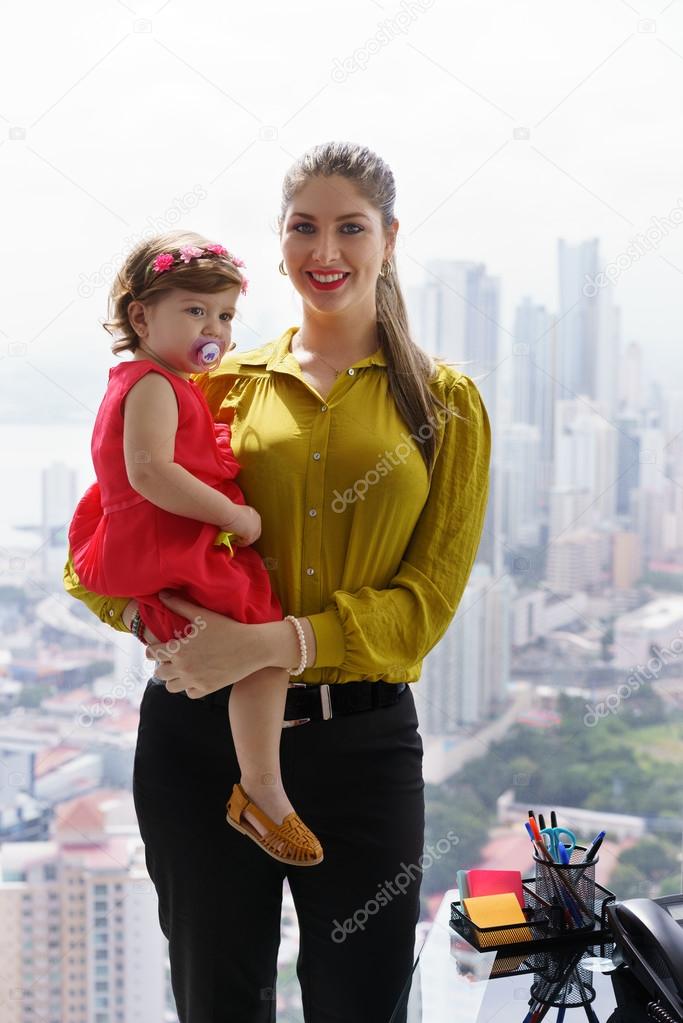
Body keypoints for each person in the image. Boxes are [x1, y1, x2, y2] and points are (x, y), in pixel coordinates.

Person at [64, 140, 491, 1023]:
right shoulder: (213, 383)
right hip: (198, 743)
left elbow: (426, 606)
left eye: (349, 227)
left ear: (389, 238)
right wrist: (168, 632)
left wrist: (270, 642)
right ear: (280, 240)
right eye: (304, 228)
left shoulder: (443, 402)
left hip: (362, 749)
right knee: (219, 1001)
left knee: (362, 1004)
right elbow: (96, 546)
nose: (324, 252)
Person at [67, 230, 324, 867]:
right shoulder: (154, 384)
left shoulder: (151, 380)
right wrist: (236, 514)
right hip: (171, 544)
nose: (214, 328)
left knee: (217, 637)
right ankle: (262, 790)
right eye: (195, 310)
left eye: (226, 315)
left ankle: (254, 773)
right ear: (140, 315)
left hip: (157, 548)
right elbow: (152, 471)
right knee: (266, 647)